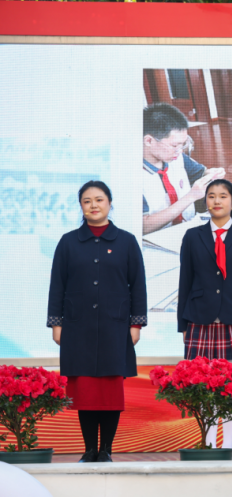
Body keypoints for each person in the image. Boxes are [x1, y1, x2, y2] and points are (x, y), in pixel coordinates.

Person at [47, 181, 147, 462]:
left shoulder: (126, 241)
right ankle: (90, 449)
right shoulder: (68, 242)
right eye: (87, 201)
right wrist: (56, 323)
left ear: (109, 203)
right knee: (86, 392)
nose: (93, 205)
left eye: (99, 200)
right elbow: (57, 285)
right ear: (81, 206)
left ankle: (106, 450)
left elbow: (138, 285)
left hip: (116, 327)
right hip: (77, 328)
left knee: (110, 391)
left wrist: (136, 324)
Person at [178, 179, 232, 451]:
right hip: (199, 319)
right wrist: (182, 325)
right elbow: (185, 281)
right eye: (211, 196)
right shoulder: (193, 236)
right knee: (204, 388)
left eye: (223, 196)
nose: (216, 201)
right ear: (205, 201)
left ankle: (228, 447)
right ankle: (209, 445)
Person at [142, 103, 225, 235]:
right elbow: (143, 227)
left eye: (183, 144)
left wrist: (212, 174)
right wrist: (191, 197)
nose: (179, 151)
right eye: (174, 145)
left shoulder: (176, 157)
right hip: (156, 239)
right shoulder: (130, 175)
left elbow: (201, 174)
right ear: (149, 141)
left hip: (188, 229)